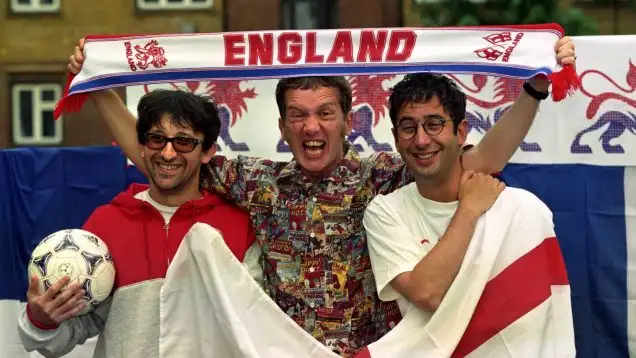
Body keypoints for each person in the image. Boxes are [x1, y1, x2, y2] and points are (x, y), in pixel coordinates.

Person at [66, 36, 576, 357]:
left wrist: (532, 90)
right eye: (299, 115)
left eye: (325, 113)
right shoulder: (255, 181)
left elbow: (479, 163)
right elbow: (160, 153)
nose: (312, 126)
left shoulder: (380, 173)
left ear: (348, 122)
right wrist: (100, 81)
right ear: (283, 127)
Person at [17, 90, 260, 357]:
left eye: (184, 142)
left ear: (207, 152)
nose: (168, 154)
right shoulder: (106, 223)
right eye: (157, 139)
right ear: (142, 146)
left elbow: (255, 328)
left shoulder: (239, 225)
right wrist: (41, 320)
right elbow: (72, 332)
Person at [362, 73, 507, 316]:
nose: (421, 140)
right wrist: (469, 209)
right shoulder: (383, 212)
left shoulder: (515, 207)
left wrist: (536, 89)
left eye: (434, 125)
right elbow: (427, 294)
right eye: (408, 128)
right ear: (396, 138)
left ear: (460, 133)